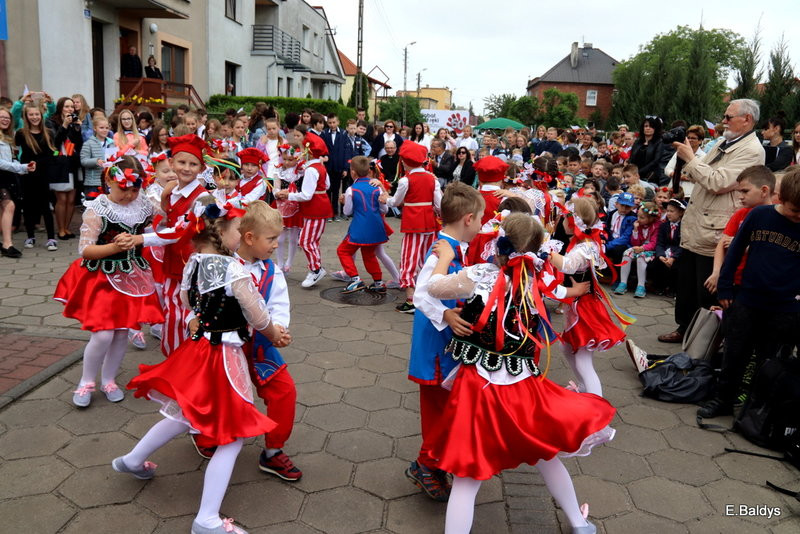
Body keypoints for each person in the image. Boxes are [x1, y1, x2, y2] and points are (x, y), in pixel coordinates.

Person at [427, 214, 612, 534]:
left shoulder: (478, 275)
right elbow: (564, 291)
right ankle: (580, 524)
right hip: (522, 388)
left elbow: (434, 287)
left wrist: (444, 258)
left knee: (467, 480)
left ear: (498, 246)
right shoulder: (536, 280)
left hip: (477, 391)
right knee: (546, 456)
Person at [116, 200, 290, 534]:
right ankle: (207, 519)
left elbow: (183, 299)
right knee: (234, 434)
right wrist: (273, 332)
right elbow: (257, 314)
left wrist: (201, 317)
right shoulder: (233, 269)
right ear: (224, 234)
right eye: (238, 230)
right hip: (224, 356)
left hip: (198, 349)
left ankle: (134, 460)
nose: (242, 234)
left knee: (184, 412)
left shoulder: (194, 261)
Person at [54, 156, 167, 407]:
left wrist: (167, 186)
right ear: (109, 181)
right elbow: (85, 250)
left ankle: (109, 379)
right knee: (103, 335)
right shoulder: (98, 208)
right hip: (102, 278)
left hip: (131, 278)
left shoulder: (144, 204)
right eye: (123, 189)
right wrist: (115, 247)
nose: (128, 196)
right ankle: (86, 382)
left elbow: (170, 214)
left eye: (134, 190)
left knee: (121, 333)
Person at [659, 98, 765, 343]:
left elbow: (718, 182)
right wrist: (689, 165)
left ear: (747, 119)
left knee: (705, 289)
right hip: (697, 223)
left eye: (728, 117)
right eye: (724, 116)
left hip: (715, 229)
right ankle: (683, 328)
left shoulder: (752, 151)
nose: (723, 121)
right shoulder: (723, 143)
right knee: (686, 284)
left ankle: (704, 339)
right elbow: (697, 173)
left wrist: (691, 158)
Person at [697, 167, 800, 419]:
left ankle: (754, 409)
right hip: (747, 299)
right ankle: (723, 400)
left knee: (769, 360)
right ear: (780, 197)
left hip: (785, 308)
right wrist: (725, 286)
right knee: (735, 353)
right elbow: (734, 250)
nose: (798, 216)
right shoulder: (759, 216)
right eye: (794, 210)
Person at [405, 181, 484, 502]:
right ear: (468, 219)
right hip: (436, 347)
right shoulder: (443, 249)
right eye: (480, 218)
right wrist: (447, 316)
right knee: (440, 408)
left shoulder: (451, 247)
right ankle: (426, 464)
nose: (481, 224)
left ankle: (433, 462)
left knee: (447, 407)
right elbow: (423, 292)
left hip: (443, 344)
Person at [223, 200, 302, 481]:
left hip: (261, 346)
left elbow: (279, 304)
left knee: (285, 391)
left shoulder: (271, 271)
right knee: (221, 397)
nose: (275, 245)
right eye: (271, 239)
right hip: (225, 349)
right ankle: (208, 433)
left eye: (277, 238)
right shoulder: (224, 265)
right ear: (249, 237)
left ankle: (272, 452)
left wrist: (279, 329)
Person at [550, 197, 631, 396]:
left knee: (583, 361)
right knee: (566, 349)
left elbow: (568, 265)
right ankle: (585, 389)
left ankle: (596, 408)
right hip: (576, 305)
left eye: (565, 218)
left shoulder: (585, 246)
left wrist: (545, 253)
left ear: (574, 221)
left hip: (584, 309)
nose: (561, 221)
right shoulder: (581, 242)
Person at [158, 135, 213, 356]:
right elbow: (165, 220)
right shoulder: (172, 192)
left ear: (201, 168)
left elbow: (179, 232)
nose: (187, 168)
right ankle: (176, 363)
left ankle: (182, 363)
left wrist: (142, 239)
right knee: (172, 313)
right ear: (171, 163)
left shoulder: (202, 197)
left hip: (191, 268)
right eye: (181, 162)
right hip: (173, 263)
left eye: (193, 164)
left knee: (185, 314)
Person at [383, 141, 442, 313]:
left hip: (413, 224)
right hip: (429, 224)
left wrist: (385, 198)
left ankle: (411, 300)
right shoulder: (432, 178)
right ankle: (425, 295)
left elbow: (396, 201)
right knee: (427, 259)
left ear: (404, 161)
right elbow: (439, 204)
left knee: (409, 260)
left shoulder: (405, 180)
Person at [703, 165, 775, 296]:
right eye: (739, 192)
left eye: (745, 191)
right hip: (734, 280)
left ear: (764, 191)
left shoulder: (777, 217)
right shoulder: (740, 214)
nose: (740, 196)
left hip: (760, 283)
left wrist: (738, 244)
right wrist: (717, 272)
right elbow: (722, 244)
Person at [274, 133, 332, 288]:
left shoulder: (311, 170)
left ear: (308, 152)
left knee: (305, 241)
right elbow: (327, 185)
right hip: (316, 208)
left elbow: (306, 195)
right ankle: (315, 267)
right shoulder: (318, 166)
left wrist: (288, 195)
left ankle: (316, 269)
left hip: (315, 209)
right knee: (311, 241)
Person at [336, 156, 389, 293]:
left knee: (343, 251)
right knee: (369, 254)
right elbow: (384, 209)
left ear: (353, 172)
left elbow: (347, 212)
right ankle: (378, 282)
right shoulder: (376, 187)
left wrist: (343, 202)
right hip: (376, 227)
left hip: (359, 228)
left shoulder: (351, 190)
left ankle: (355, 279)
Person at [16, 104, 58, 251]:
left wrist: (38, 163)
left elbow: (52, 155)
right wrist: (23, 166)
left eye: (37, 114)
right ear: (26, 117)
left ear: (41, 116)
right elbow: (17, 154)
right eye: (31, 115)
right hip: (27, 174)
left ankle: (51, 238)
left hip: (43, 175)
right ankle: (30, 236)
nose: (34, 117)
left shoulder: (49, 133)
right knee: (28, 206)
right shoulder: (21, 133)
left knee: (45, 206)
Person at [46, 97, 83, 240]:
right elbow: (55, 142)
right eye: (67, 106)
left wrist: (77, 128)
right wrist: (65, 125)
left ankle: (67, 228)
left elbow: (78, 144)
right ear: (60, 108)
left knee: (71, 199)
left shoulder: (74, 122)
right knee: (61, 198)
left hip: (72, 163)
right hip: (58, 163)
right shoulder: (51, 122)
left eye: (72, 107)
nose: (70, 109)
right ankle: (60, 229)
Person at [0, 108, 33, 258]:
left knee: (5, 208)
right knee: (9, 205)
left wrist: (24, 166)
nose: (5, 120)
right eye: (2, 117)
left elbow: (10, 160)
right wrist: (22, 167)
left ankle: (6, 243)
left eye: (7, 118)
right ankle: (7, 244)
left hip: (6, 177)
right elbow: (1, 163)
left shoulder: (7, 138)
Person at [615, 202, 662, 297]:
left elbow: (653, 243)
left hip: (649, 250)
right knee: (627, 254)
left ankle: (641, 285)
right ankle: (623, 282)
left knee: (641, 257)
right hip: (639, 248)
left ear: (651, 218)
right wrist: (635, 231)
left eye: (642, 217)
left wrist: (642, 248)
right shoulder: (639, 225)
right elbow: (635, 243)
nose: (638, 219)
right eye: (638, 216)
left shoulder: (657, 226)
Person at [273, 142, 304, 272]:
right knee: (279, 238)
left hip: (296, 206)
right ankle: (279, 263)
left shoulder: (302, 172)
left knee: (293, 238)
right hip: (281, 206)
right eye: (284, 159)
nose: (286, 162)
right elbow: (275, 187)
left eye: (290, 160)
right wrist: (277, 193)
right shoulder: (279, 171)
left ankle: (289, 263)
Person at [649, 198, 685, 295]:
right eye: (668, 211)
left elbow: (683, 244)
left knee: (677, 266)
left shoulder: (684, 227)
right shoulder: (664, 226)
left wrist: (674, 257)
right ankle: (659, 286)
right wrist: (660, 255)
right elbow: (660, 243)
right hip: (665, 251)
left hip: (678, 253)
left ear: (681, 213)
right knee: (657, 263)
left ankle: (673, 289)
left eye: (672, 211)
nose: (668, 213)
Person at [664, 125, 706, 198]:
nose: (690, 140)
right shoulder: (679, 152)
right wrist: (679, 176)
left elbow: (701, 176)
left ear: (700, 141)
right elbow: (667, 169)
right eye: (688, 138)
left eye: (693, 138)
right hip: (673, 191)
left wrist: (683, 176)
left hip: (690, 194)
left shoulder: (704, 157)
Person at [322, 114, 348, 221]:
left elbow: (346, 151)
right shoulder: (324, 134)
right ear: (327, 123)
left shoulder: (343, 134)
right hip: (328, 167)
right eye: (330, 123)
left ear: (338, 122)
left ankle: (335, 212)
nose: (332, 125)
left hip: (338, 167)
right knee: (328, 190)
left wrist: (346, 168)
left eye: (334, 122)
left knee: (336, 191)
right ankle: (328, 213)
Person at [80, 115, 115, 197]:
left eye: (107, 128)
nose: (105, 130)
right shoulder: (88, 143)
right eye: (101, 128)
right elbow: (83, 161)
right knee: (93, 206)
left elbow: (115, 158)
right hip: (93, 182)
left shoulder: (112, 143)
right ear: (95, 128)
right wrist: (96, 161)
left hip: (109, 181)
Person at [628, 117, 667, 186]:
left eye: (651, 126)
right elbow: (631, 157)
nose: (648, 128)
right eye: (646, 126)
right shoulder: (637, 142)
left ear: (655, 129)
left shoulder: (659, 142)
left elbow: (655, 161)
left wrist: (640, 172)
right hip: (634, 174)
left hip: (650, 177)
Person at [604, 192, 637, 266]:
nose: (624, 209)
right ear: (616, 204)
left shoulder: (633, 218)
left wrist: (608, 245)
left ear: (632, 207)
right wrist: (604, 240)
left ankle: (617, 273)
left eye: (627, 207)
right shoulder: (611, 214)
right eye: (622, 205)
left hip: (623, 244)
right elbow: (606, 229)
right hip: (610, 240)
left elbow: (626, 237)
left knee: (617, 251)